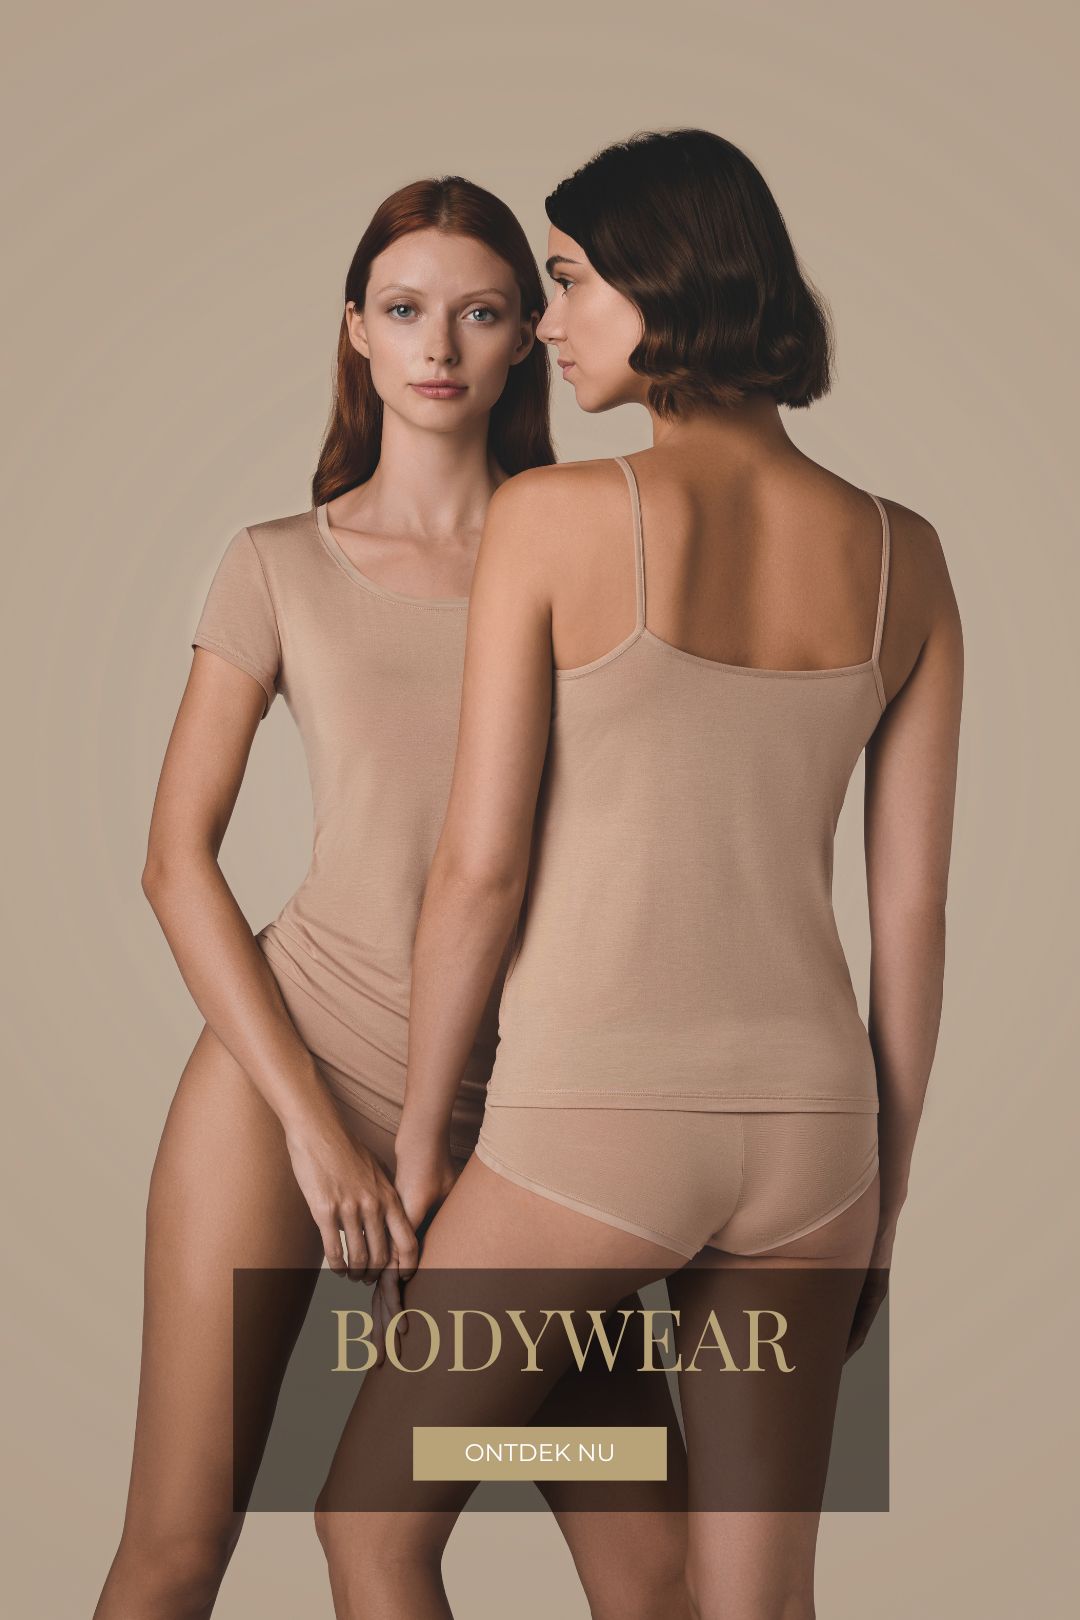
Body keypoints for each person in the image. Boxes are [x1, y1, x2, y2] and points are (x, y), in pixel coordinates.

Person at [315, 132, 964, 1620]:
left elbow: (481, 871)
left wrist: (422, 1145)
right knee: (756, 1599)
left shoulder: (553, 517)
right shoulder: (906, 557)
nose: (547, 325)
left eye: (568, 283)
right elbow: (913, 918)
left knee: (371, 1526)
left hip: (588, 1134)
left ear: (663, 285)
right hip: (816, 1147)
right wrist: (883, 1200)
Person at [92, 176, 691, 1620]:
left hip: (530, 1119)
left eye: (480, 313)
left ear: (526, 335)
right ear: (356, 330)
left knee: (654, 1574)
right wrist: (319, 1139)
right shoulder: (278, 566)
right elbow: (176, 859)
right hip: (288, 1079)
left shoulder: (595, 552)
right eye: (407, 309)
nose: (439, 344)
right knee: (178, 1547)